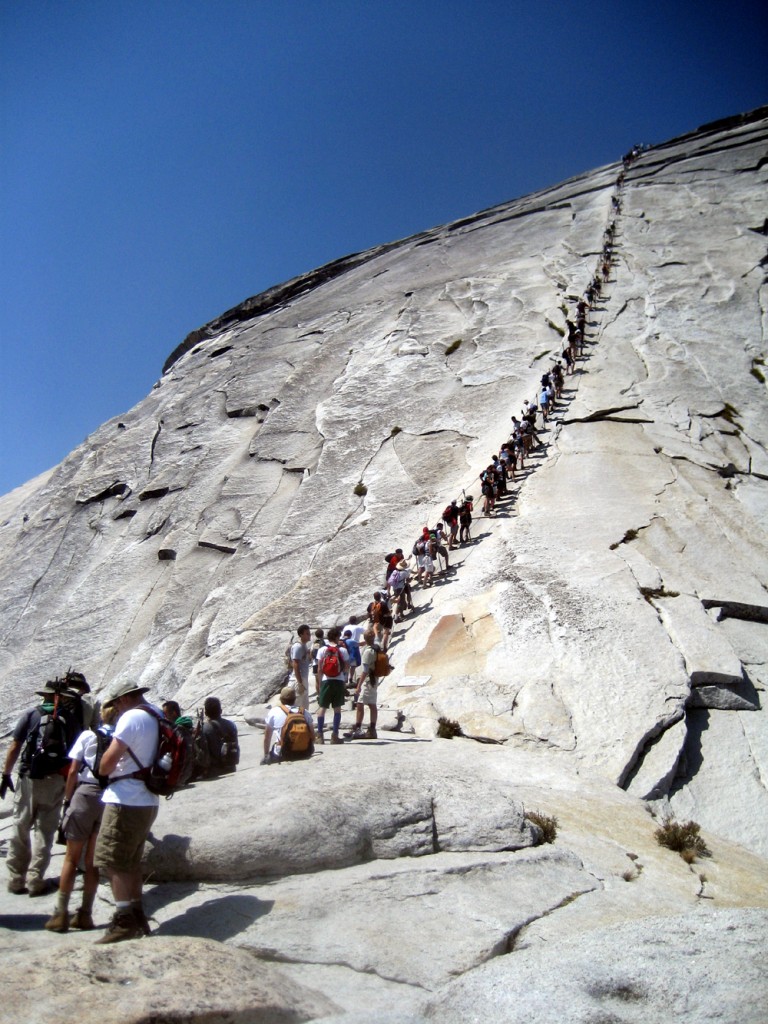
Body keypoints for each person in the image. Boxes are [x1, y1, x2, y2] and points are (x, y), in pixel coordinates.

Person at [93, 682, 161, 943]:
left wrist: (102, 764)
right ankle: (136, 912)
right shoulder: (154, 714)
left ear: (122, 701)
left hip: (126, 798)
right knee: (131, 859)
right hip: (147, 798)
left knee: (114, 859)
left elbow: (107, 764)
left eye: (117, 703)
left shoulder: (131, 718)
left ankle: (124, 921)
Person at [2, 680, 84, 896]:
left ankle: (16, 879)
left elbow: (14, 747)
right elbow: (75, 754)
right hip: (56, 780)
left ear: (44, 696)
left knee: (21, 826)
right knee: (45, 832)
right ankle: (36, 879)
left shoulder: (31, 714)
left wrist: (6, 774)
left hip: (30, 777)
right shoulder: (70, 719)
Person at [44, 704, 118, 933]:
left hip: (85, 794)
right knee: (92, 862)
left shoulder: (87, 735)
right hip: (108, 797)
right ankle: (85, 914)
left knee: (70, 858)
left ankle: (60, 914)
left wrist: (68, 800)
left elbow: (74, 769)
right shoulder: (119, 737)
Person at [262, 685, 315, 763]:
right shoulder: (304, 712)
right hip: (305, 752)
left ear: (281, 699)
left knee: (265, 761)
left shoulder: (274, 712)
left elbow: (267, 738)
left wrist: (266, 755)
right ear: (295, 699)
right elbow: (312, 736)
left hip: (284, 754)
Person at [315, 626, 349, 745]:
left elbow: (319, 668)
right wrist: (344, 679)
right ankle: (335, 735)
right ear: (336, 637)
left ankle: (319, 735)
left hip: (326, 680)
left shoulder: (322, 650)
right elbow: (346, 667)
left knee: (322, 708)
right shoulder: (343, 650)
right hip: (338, 681)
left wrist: (319, 684)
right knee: (337, 709)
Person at [346, 630, 380, 740]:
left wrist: (358, 685)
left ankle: (358, 729)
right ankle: (372, 729)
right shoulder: (377, 648)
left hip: (368, 680)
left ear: (364, 640)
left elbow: (365, 671)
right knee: (372, 704)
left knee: (360, 703)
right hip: (375, 679)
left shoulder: (368, 652)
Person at [201, 697, 239, 776]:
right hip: (231, 766)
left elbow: (204, 753)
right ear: (220, 711)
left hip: (214, 770)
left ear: (206, 713)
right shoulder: (231, 725)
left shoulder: (204, 729)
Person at [290, 624, 312, 710]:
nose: (309, 635)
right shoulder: (298, 646)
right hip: (299, 678)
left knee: (304, 704)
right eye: (307, 633)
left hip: (304, 677)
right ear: (301, 635)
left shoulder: (304, 646)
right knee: (297, 703)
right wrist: (299, 682)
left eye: (309, 633)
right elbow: (295, 664)